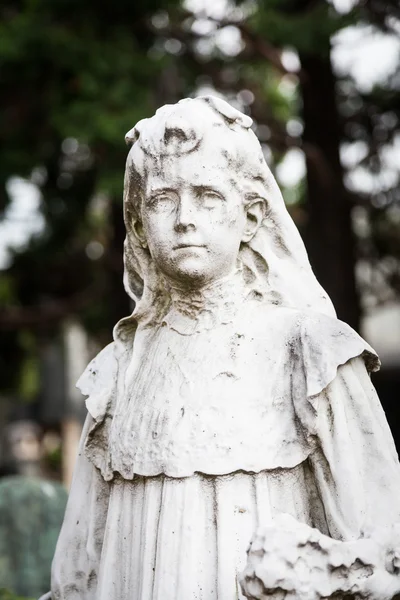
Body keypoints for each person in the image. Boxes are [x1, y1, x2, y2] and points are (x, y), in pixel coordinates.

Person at [50, 96, 400, 600]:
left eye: (208, 195)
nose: (185, 218)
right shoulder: (119, 368)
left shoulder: (309, 352)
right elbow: (77, 567)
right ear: (140, 228)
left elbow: (382, 545)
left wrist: (317, 574)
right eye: (162, 199)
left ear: (251, 215)